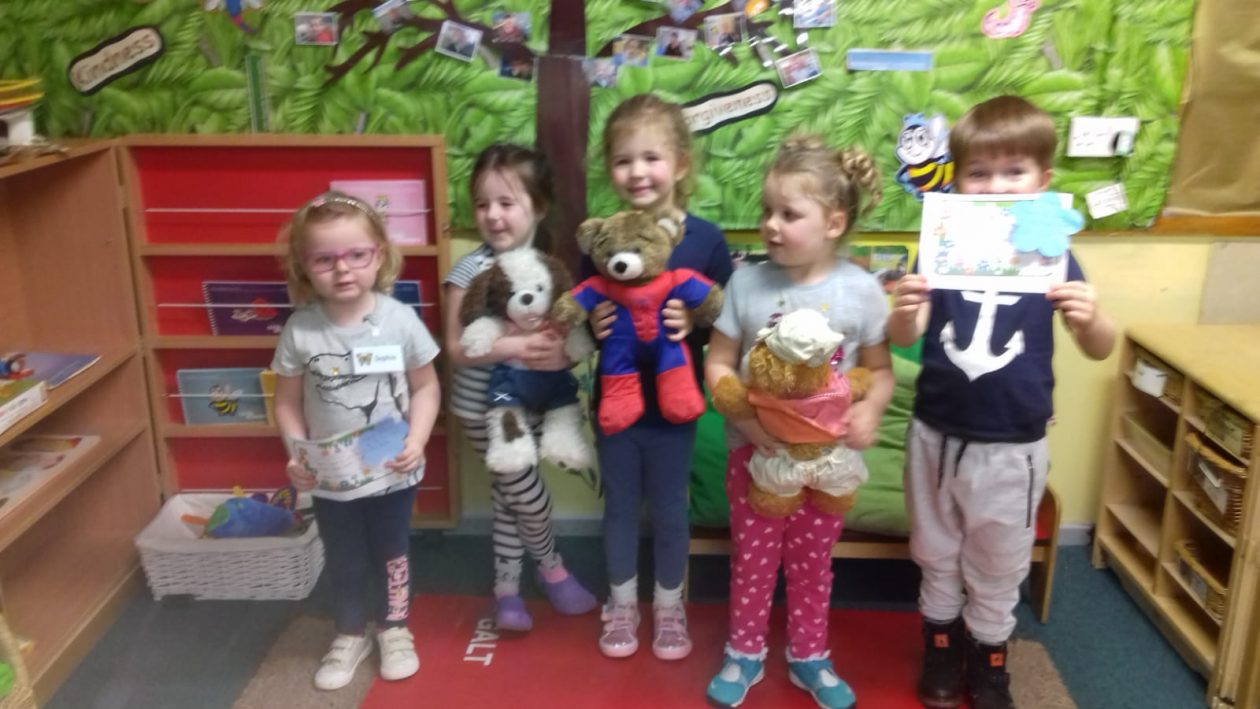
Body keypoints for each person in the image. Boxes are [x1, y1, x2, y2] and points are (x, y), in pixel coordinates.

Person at [888, 95, 1115, 709]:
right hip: (936, 433)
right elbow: (905, 337)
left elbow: (1099, 349)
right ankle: (941, 648)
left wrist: (1092, 318)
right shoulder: (939, 250)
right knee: (935, 551)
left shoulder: (1055, 254)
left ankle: (989, 657)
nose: (995, 187)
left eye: (1013, 172)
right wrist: (904, 311)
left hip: (1013, 442)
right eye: (978, 173)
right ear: (955, 181)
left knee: (999, 561)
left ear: (1042, 181)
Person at [703, 136, 894, 709]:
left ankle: (810, 654)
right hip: (756, 457)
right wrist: (746, 422)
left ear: (834, 222)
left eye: (789, 214)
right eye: (767, 210)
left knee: (813, 563)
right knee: (754, 560)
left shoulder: (862, 291)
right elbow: (717, 362)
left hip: (827, 464)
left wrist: (869, 410)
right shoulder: (746, 283)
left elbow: (880, 371)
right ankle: (744, 651)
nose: (770, 224)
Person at [272, 192, 441, 691]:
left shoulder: (400, 319)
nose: (342, 269)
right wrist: (296, 454)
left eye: (356, 255)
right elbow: (286, 402)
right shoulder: (301, 331)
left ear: (379, 255)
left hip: (391, 464)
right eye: (324, 259)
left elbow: (426, 387)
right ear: (304, 266)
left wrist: (417, 439)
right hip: (330, 474)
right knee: (343, 554)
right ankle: (349, 632)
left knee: (392, 549)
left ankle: (394, 627)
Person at [589, 93, 733, 661]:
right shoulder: (601, 237)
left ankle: (669, 605)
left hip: (676, 406)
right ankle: (622, 601)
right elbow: (584, 306)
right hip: (615, 404)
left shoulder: (706, 240)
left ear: (680, 163)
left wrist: (696, 320)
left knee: (672, 507)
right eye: (623, 160)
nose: (638, 172)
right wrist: (594, 325)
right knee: (621, 506)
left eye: (651, 157)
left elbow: (725, 316)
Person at [443, 144, 598, 633]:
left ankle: (507, 593)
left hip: (534, 401)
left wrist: (564, 355)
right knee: (527, 496)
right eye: (482, 203)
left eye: (506, 203)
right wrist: (515, 346)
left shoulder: (548, 268)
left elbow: (569, 336)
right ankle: (553, 570)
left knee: (509, 499)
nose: (492, 215)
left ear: (539, 206)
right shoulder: (470, 271)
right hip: (482, 408)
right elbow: (456, 347)